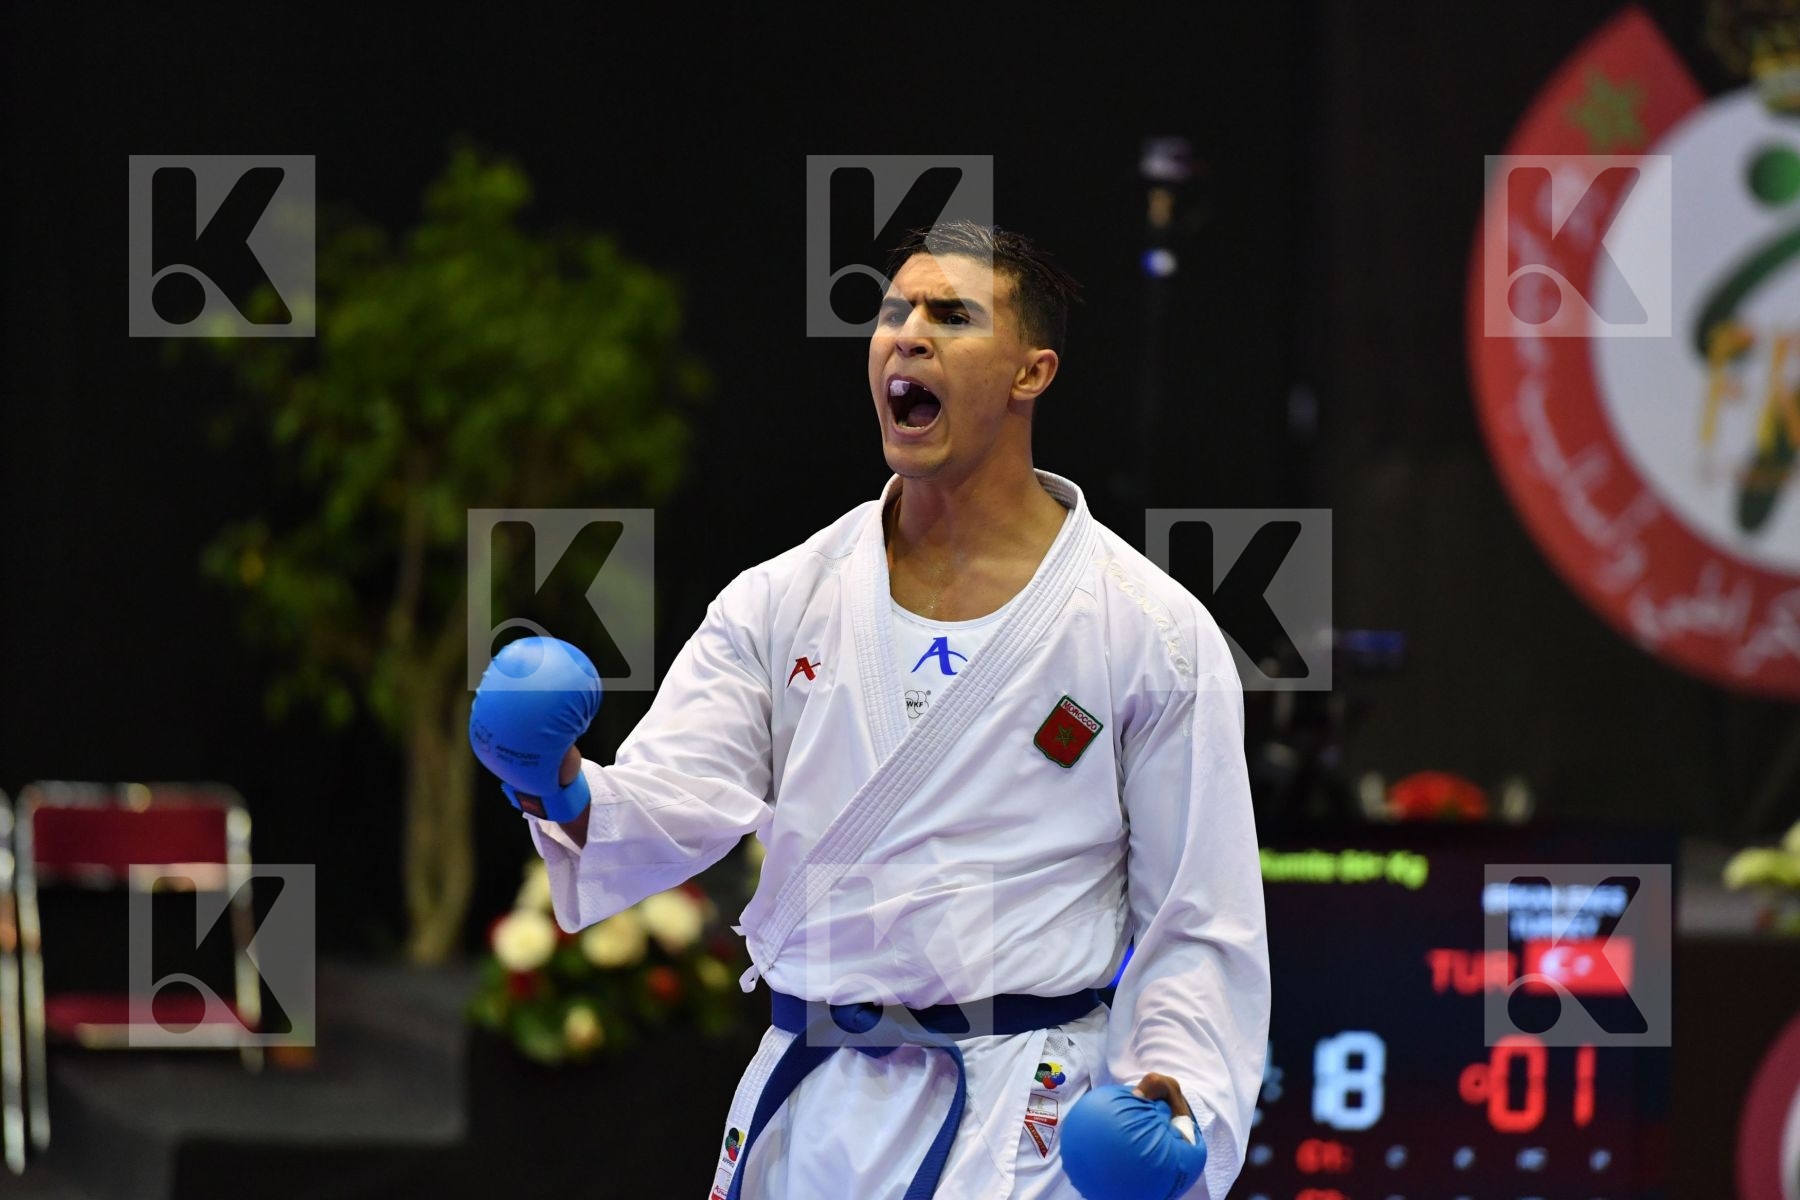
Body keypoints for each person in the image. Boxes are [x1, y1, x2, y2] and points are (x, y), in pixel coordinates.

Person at [474, 221, 1270, 1199]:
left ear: (1032, 372)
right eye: (893, 311)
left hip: (1023, 1128)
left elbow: (1200, 917)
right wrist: (548, 782)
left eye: (950, 315)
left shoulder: (1149, 629)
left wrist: (1176, 1099)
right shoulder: (783, 596)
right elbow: (671, 798)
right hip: (815, 1114)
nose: (907, 335)